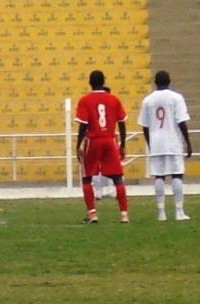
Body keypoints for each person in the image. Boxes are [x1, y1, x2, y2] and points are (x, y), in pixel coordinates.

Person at [75, 70, 129, 224]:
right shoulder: (114, 99)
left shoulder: (85, 100)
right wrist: (123, 144)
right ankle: (124, 214)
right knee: (118, 178)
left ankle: (93, 214)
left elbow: (83, 125)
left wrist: (78, 145)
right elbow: (122, 123)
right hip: (110, 140)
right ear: (104, 81)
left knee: (87, 178)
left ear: (90, 83)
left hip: (93, 140)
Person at [138, 70, 193, 221]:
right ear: (169, 81)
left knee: (159, 176)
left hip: (156, 142)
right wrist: (188, 142)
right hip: (173, 141)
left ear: (155, 82)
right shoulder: (176, 98)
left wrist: (150, 144)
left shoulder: (148, 100)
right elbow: (181, 121)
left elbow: (145, 126)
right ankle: (179, 211)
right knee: (177, 174)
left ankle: (161, 213)